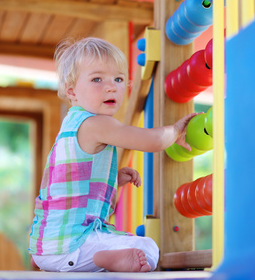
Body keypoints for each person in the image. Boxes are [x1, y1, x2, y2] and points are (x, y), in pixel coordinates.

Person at [29, 37, 197, 273]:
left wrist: (112, 179)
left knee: (137, 251)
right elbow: (150, 141)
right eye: (97, 79)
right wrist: (176, 130)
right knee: (147, 248)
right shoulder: (97, 123)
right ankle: (102, 258)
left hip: (48, 247)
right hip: (72, 245)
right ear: (71, 91)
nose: (111, 86)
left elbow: (72, 183)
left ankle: (105, 259)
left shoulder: (71, 125)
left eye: (118, 79)